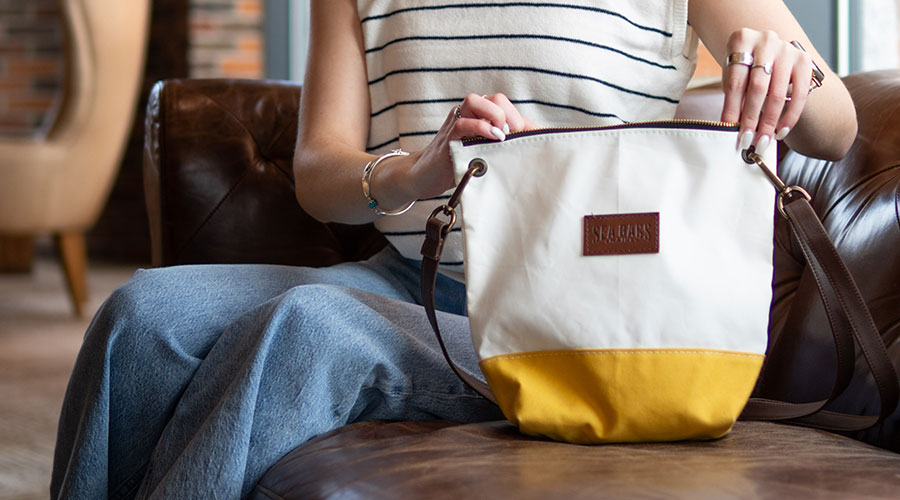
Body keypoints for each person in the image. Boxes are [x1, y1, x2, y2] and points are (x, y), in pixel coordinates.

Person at [51, 1, 857, 498]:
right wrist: (416, 169)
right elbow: (319, 174)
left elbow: (838, 124)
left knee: (309, 326)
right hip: (404, 278)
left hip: (573, 311)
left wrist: (797, 73)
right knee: (139, 312)